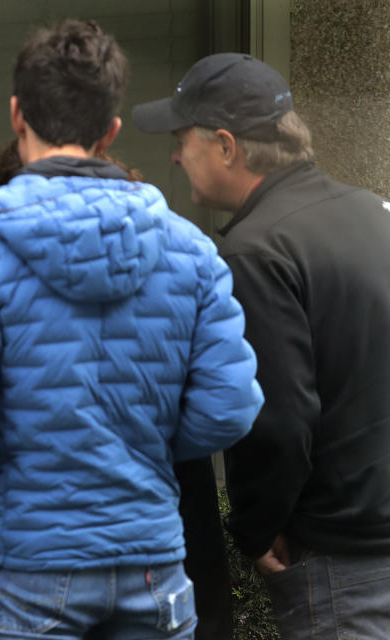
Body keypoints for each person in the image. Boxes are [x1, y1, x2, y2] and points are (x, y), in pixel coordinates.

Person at [0, 19, 264, 640]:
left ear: (18, 115)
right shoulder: (191, 250)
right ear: (111, 131)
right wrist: (142, 444)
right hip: (153, 561)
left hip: (27, 561)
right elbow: (231, 405)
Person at [132, 51, 390, 638]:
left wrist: (255, 528)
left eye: (181, 139)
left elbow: (279, 418)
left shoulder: (255, 251)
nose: (174, 155)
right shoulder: (374, 211)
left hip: (337, 562)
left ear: (226, 146)